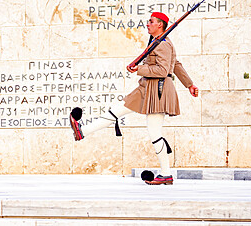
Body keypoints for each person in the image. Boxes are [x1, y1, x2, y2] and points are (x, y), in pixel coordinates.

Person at [69, 12, 199, 185]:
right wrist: (189, 84)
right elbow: (175, 65)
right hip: (147, 87)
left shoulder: (164, 44)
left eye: (151, 22)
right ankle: (82, 131)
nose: (147, 24)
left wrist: (138, 69)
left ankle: (166, 174)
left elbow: (164, 70)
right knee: (116, 111)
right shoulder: (157, 42)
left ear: (160, 25)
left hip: (157, 90)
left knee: (154, 132)